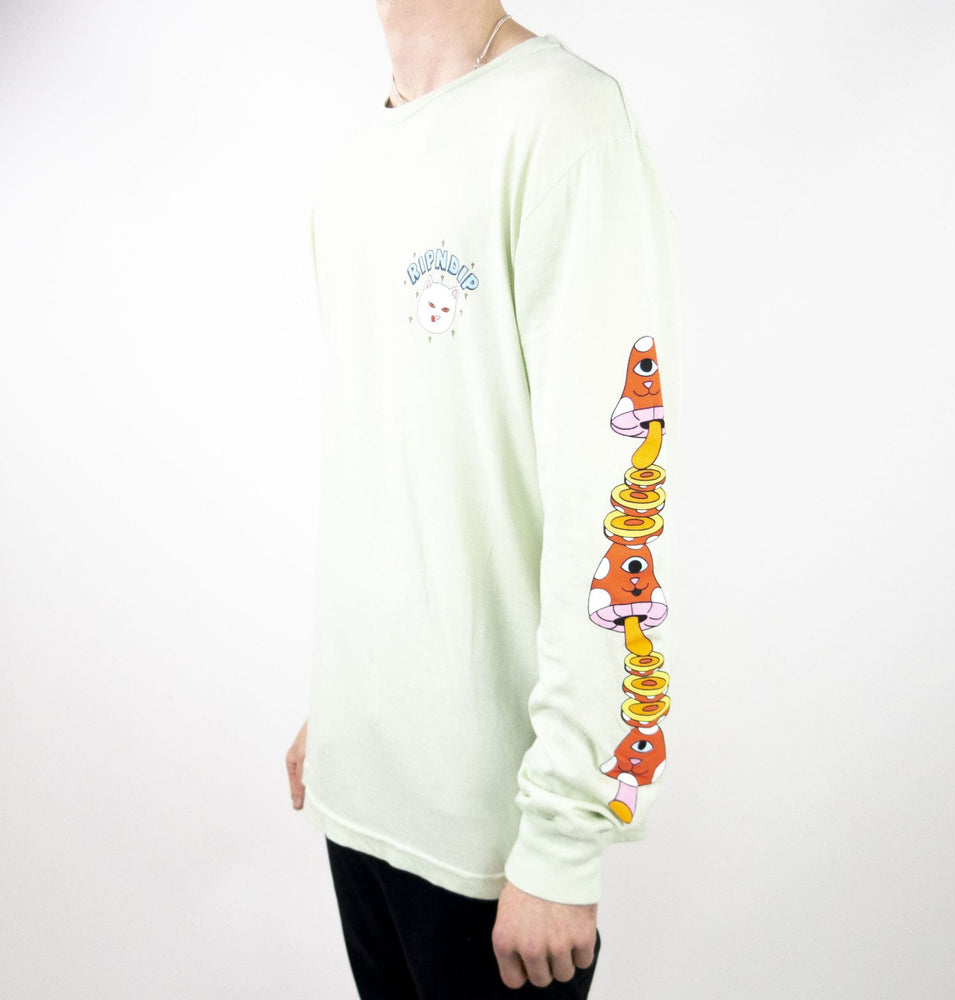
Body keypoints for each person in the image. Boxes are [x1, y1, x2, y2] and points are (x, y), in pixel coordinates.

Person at [285, 2, 682, 996]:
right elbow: (395, 462)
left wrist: (565, 830)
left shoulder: (564, 119)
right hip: (360, 791)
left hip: (494, 837)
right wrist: (342, 706)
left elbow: (618, 491)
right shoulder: (348, 167)